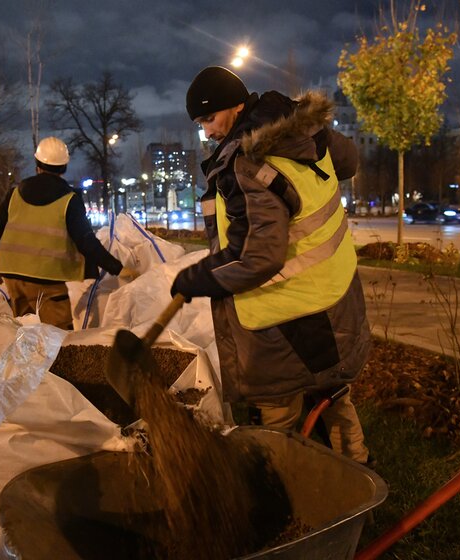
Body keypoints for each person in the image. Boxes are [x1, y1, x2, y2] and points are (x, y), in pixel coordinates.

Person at [171, 66, 371, 463]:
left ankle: (283, 490)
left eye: (209, 118)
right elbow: (348, 161)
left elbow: (257, 256)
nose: (207, 132)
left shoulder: (247, 166)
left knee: (276, 422)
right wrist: (316, 135)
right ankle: (361, 476)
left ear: (237, 106)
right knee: (333, 394)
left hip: (284, 322)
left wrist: (199, 277)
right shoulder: (303, 128)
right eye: (200, 124)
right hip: (334, 300)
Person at [0, 136, 131, 327]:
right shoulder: (69, 200)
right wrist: (117, 268)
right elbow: (86, 241)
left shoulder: (14, 194)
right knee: (59, 334)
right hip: (48, 280)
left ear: (37, 163)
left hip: (13, 276)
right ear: (64, 167)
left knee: (23, 331)